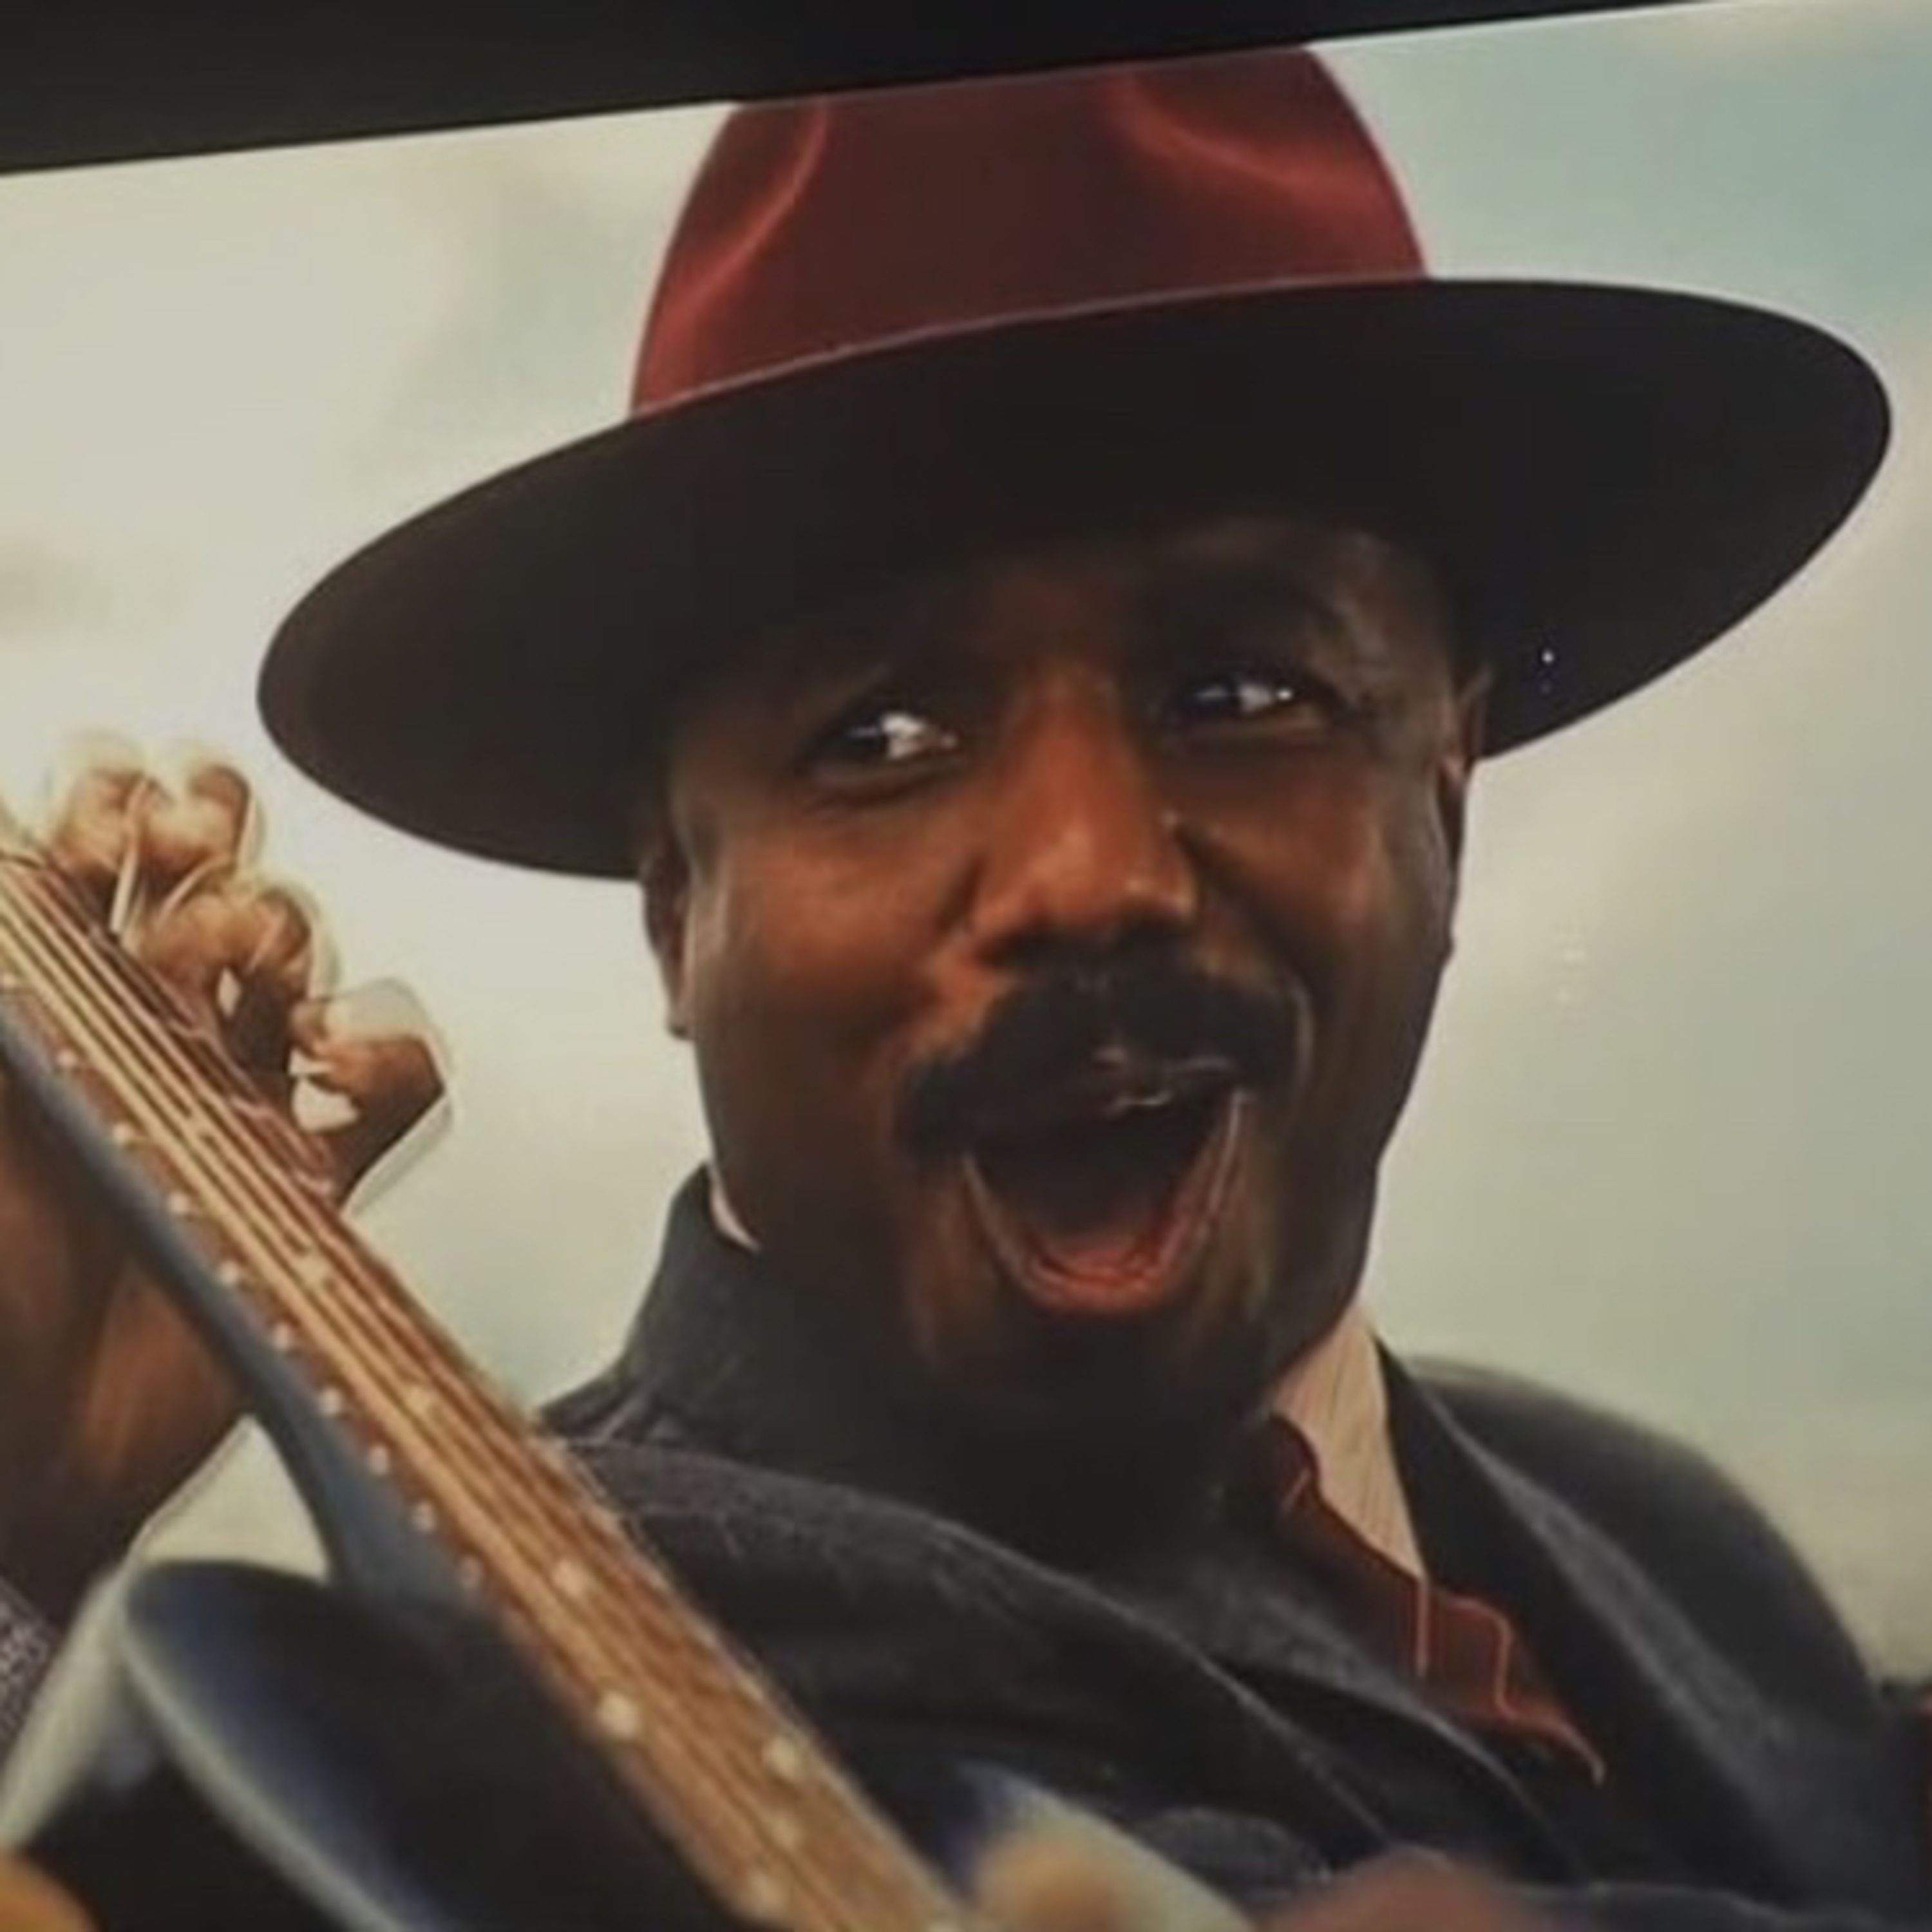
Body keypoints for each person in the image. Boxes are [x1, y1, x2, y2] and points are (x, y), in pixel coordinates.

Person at [1, 43, 1927, 1932]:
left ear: (1443, 782)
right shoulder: (541, 1706)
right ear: (675, 904)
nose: (1091, 876)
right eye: (882, 737)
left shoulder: (1659, 1538)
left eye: (1242, 692)